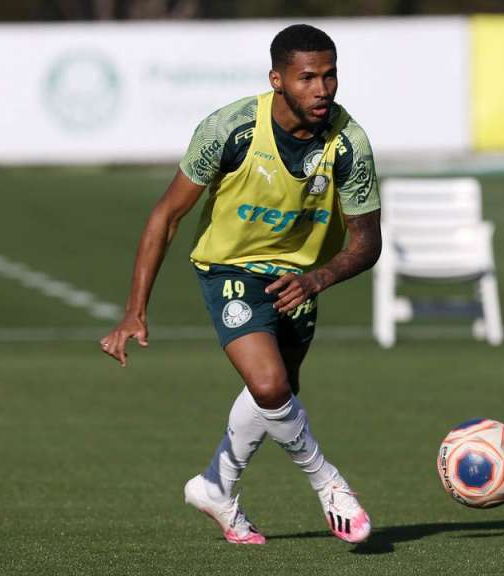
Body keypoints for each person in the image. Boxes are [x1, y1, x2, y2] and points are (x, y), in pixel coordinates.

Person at [99, 24, 381, 545]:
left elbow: (367, 244)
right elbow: (166, 215)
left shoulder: (349, 145)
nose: (322, 89)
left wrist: (318, 277)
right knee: (271, 386)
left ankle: (215, 487)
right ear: (277, 80)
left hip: (298, 280)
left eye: (330, 75)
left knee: (276, 395)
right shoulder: (229, 130)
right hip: (229, 269)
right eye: (307, 78)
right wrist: (135, 309)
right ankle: (330, 486)